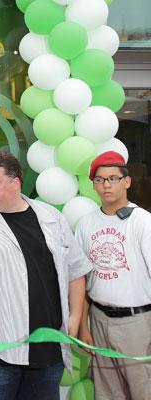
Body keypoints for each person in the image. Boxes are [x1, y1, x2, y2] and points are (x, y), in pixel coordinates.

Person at [0, 151, 90, 400]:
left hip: (48, 349)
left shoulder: (51, 217)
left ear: (16, 182)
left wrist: (75, 317)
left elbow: (76, 270)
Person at [75, 151, 151, 400]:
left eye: (112, 178)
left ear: (126, 181)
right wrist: (83, 326)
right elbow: (82, 279)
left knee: (143, 389)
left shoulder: (143, 221)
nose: (106, 185)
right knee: (107, 391)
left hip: (137, 321)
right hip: (98, 319)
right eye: (99, 180)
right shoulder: (86, 223)